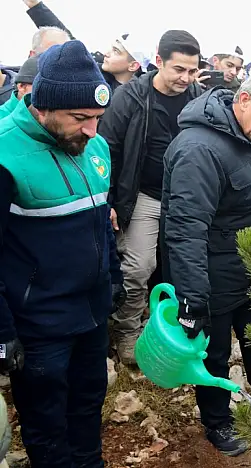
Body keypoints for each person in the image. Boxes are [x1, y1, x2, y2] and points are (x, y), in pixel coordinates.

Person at [0, 40, 124, 467]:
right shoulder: (5, 155)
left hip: (91, 313)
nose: (92, 131)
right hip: (39, 324)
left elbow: (101, 219)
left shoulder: (94, 147)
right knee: (47, 421)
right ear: (43, 106)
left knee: (88, 404)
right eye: (80, 118)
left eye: (97, 118)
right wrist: (2, 331)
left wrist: (113, 277)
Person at [162, 71, 251, 456]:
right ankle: (217, 421)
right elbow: (186, 230)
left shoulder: (248, 137)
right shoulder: (198, 150)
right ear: (244, 100)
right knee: (214, 352)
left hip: (247, 264)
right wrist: (192, 298)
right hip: (209, 272)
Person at [98, 30, 205, 365]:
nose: (185, 78)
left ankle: (172, 328)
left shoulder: (199, 98)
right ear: (159, 61)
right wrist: (109, 200)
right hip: (142, 193)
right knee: (139, 266)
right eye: (178, 69)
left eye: (192, 70)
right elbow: (107, 148)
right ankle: (127, 332)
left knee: (182, 267)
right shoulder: (130, 97)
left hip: (185, 197)